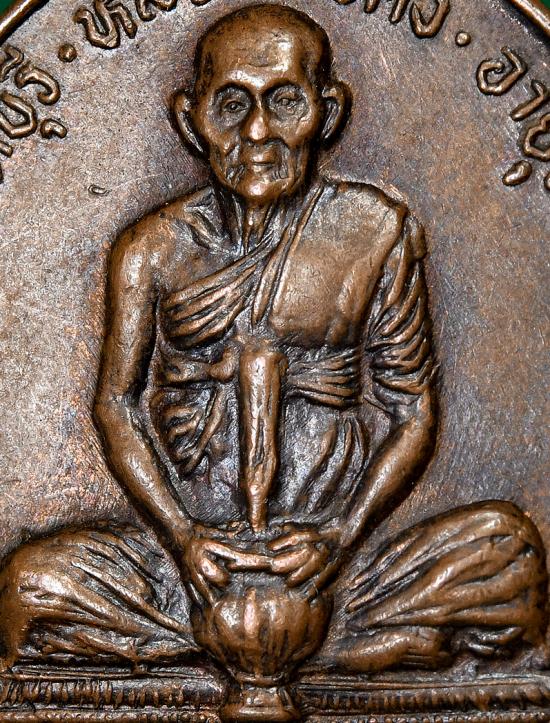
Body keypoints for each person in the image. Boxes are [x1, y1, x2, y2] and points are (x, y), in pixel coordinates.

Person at [0, 5, 546, 673]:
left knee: (508, 557)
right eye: (231, 105)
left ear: (328, 112)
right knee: (29, 586)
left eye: (284, 101)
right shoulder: (150, 249)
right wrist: (183, 537)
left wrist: (340, 537)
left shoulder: (376, 231)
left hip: (335, 564)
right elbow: (116, 404)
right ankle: (333, 652)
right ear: (190, 121)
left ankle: (294, 641)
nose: (257, 132)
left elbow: (411, 410)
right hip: (191, 568)